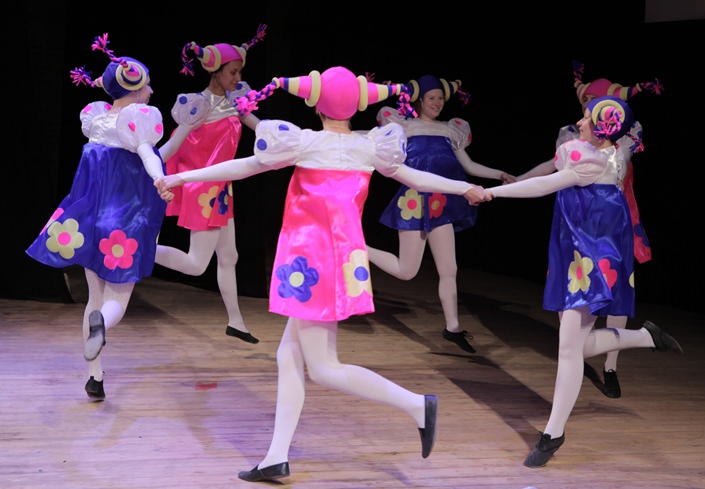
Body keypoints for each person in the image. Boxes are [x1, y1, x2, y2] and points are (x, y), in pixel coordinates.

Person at [155, 66, 485, 482]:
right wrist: (462, 188)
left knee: (324, 367)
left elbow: (241, 167)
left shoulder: (305, 142)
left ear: (316, 104)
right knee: (288, 356)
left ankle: (417, 405)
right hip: (335, 262)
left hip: (311, 265)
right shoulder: (369, 147)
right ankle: (276, 457)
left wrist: (181, 176)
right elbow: (416, 178)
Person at [482, 95, 683, 467]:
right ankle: (645, 337)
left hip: (594, 258)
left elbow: (544, 186)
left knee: (569, 349)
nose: (580, 122)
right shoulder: (605, 153)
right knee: (575, 345)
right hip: (578, 252)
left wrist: (492, 192)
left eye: (588, 118)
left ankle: (552, 434)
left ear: (604, 130)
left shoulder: (592, 161)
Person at [25, 34, 201, 400]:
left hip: (91, 222)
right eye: (147, 85)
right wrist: (161, 180)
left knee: (94, 298)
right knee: (115, 303)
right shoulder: (136, 122)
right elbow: (150, 155)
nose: (151, 91)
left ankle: (95, 377)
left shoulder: (96, 121)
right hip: (124, 226)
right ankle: (101, 324)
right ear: (134, 91)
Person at [514, 62, 663, 397]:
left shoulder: (619, 141)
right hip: (578, 220)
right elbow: (554, 170)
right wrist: (521, 179)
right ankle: (608, 347)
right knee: (577, 303)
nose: (587, 108)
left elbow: (611, 162)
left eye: (595, 102)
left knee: (614, 292)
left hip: (613, 219)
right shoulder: (572, 135)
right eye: (586, 101)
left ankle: (611, 366)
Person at [367, 75, 516, 354]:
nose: (437, 103)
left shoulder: (450, 130)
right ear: (420, 100)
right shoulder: (404, 127)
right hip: (412, 204)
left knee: (449, 270)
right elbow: (374, 147)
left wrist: (499, 174)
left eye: (440, 99)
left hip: (440, 206)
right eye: (432, 98)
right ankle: (359, 249)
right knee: (407, 271)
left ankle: (453, 328)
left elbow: (469, 166)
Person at [154, 25, 267, 345]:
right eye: (232, 72)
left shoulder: (236, 101)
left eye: (239, 72)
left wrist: (286, 139)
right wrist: (147, 165)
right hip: (203, 189)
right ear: (215, 71)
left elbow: (261, 127)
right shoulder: (197, 105)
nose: (237, 77)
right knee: (196, 265)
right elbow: (173, 146)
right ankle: (143, 250)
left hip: (221, 189)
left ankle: (236, 322)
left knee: (229, 256)